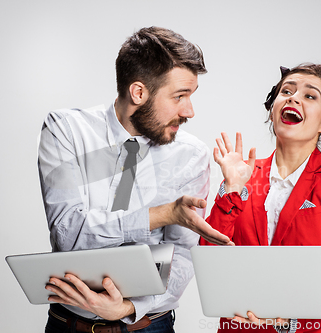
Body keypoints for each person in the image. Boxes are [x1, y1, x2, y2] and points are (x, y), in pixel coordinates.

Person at [37, 26, 233, 333]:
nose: (190, 111)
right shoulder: (67, 131)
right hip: (69, 324)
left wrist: (128, 308)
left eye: (191, 96)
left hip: (148, 325)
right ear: (138, 92)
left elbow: (181, 255)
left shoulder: (191, 155)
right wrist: (161, 215)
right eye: (180, 96)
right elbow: (67, 233)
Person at [201, 64, 321, 332]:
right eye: (286, 91)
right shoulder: (242, 175)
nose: (293, 98)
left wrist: (287, 323)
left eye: (309, 96)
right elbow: (211, 262)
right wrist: (231, 188)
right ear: (272, 111)